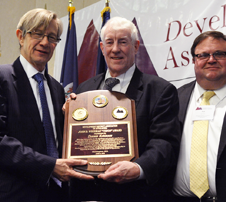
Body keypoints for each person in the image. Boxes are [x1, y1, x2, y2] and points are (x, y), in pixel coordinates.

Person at [68, 16, 181, 202]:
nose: (115, 49)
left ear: (136, 46)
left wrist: (139, 168)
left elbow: (165, 142)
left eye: (123, 42)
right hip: (86, 192)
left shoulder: (160, 90)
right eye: (109, 43)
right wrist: (68, 114)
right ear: (102, 48)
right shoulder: (84, 90)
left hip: (134, 193)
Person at [0, 8, 94, 202]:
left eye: (52, 37)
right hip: (16, 194)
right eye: (37, 33)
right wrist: (49, 166)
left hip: (58, 194)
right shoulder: (3, 78)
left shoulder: (58, 89)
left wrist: (75, 115)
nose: (45, 42)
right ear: (21, 36)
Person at [172, 31, 226, 202]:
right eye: (203, 55)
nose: (211, 59)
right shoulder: (174, 98)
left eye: (219, 54)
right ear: (194, 60)